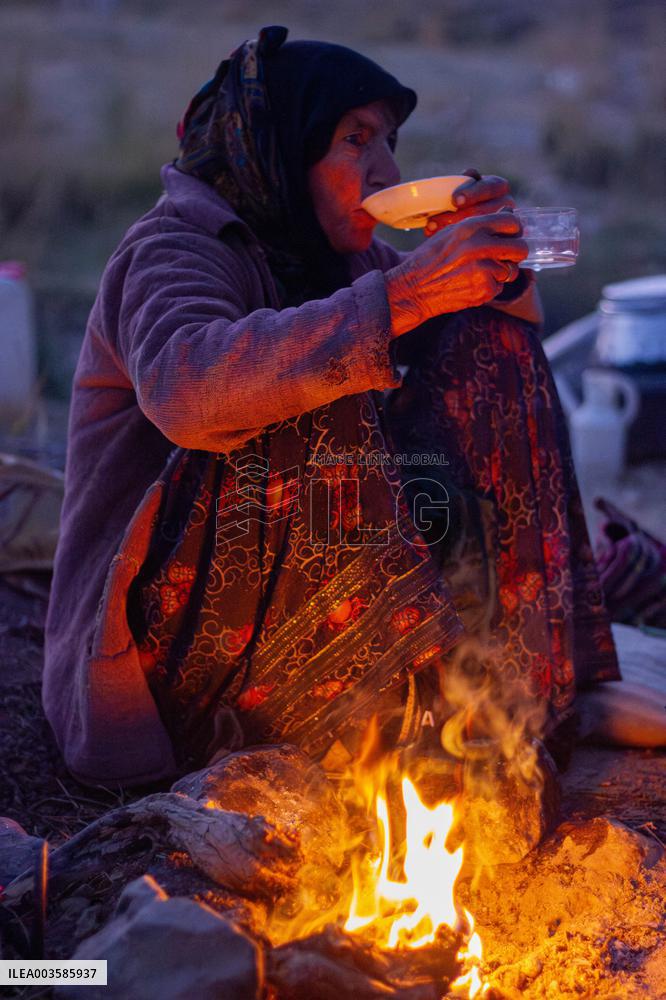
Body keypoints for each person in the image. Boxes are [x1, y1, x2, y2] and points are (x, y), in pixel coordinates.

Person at [43, 26, 627, 788]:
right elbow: (186, 393)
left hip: (284, 628)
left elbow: (505, 337)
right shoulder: (174, 247)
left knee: (483, 342)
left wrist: (490, 261)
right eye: (356, 140)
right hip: (173, 661)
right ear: (281, 145)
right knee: (331, 363)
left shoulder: (333, 255)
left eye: (389, 141)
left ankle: (504, 699)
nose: (386, 168)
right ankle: (378, 716)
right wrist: (409, 294)